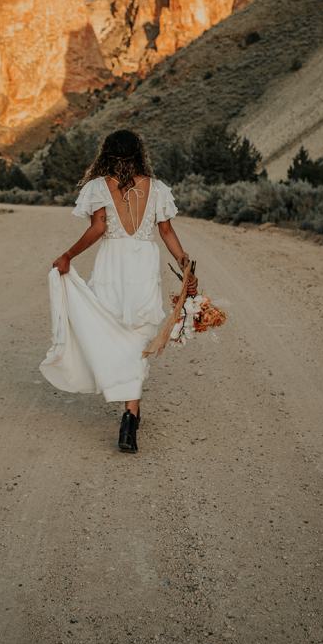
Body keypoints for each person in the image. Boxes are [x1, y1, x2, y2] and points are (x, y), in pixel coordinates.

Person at [44, 128, 197, 454]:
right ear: (140, 154)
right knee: (139, 337)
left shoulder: (99, 187)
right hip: (142, 265)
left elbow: (98, 228)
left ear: (108, 154)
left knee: (113, 332)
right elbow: (166, 231)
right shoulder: (156, 189)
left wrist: (68, 256)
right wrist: (184, 262)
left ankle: (128, 408)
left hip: (113, 264)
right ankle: (131, 413)